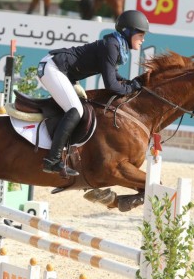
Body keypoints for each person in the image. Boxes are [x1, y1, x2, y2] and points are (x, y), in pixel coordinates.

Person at [37, 9, 149, 176]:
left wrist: (130, 83)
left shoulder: (115, 44)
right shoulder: (112, 46)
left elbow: (114, 75)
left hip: (62, 72)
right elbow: (111, 85)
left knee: (80, 106)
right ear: (128, 32)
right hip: (53, 68)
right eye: (140, 35)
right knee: (75, 110)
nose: (143, 39)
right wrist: (132, 88)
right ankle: (52, 160)